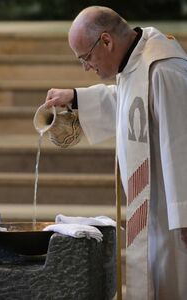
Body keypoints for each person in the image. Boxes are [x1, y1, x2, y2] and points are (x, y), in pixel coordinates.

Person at [44, 6, 187, 300]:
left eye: (86, 57)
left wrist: (184, 216)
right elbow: (131, 103)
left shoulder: (163, 69)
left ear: (106, 41)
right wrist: (76, 96)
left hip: (175, 223)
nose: (86, 67)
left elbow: (181, 143)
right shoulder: (137, 61)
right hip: (154, 216)